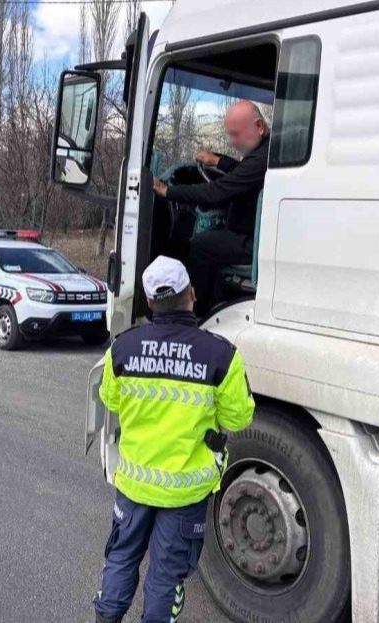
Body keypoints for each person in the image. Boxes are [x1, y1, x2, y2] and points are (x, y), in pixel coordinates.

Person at [93, 256, 255, 623]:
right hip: (185, 492)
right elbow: (238, 417)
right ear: (192, 295)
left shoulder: (121, 348)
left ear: (149, 303)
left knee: (121, 557)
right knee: (166, 576)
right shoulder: (221, 356)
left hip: (133, 484)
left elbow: (110, 399)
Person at [152, 100, 270, 314]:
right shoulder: (267, 152)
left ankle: (198, 310)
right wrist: (218, 161)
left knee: (201, 244)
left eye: (236, 134)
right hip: (255, 236)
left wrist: (168, 192)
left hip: (251, 244)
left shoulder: (262, 158)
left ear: (259, 126)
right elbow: (243, 172)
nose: (232, 142)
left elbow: (215, 192)